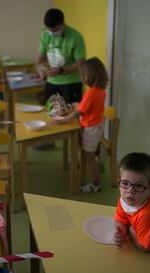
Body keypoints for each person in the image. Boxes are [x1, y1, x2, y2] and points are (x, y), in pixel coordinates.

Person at [53, 57, 106, 192]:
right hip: (97, 126)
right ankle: (85, 157)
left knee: (89, 156)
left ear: (89, 76)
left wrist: (63, 120)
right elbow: (88, 107)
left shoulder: (91, 93)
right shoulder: (100, 90)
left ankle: (96, 183)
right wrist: (78, 105)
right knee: (88, 151)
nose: (81, 77)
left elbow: (78, 113)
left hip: (91, 128)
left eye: (82, 75)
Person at [37, 8, 86, 105]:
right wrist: (40, 67)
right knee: (50, 113)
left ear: (62, 24)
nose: (51, 33)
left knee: (71, 115)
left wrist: (61, 70)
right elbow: (41, 56)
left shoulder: (76, 37)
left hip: (71, 83)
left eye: (54, 30)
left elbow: (81, 63)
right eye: (49, 30)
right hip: (51, 82)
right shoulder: (45, 35)